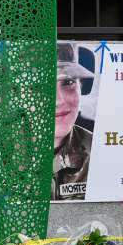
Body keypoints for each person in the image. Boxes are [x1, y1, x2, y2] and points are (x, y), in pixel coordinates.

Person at [52, 41, 94, 201]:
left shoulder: (98, 152)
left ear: (81, 87)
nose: (58, 101)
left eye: (68, 83)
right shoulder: (1, 154)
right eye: (41, 87)